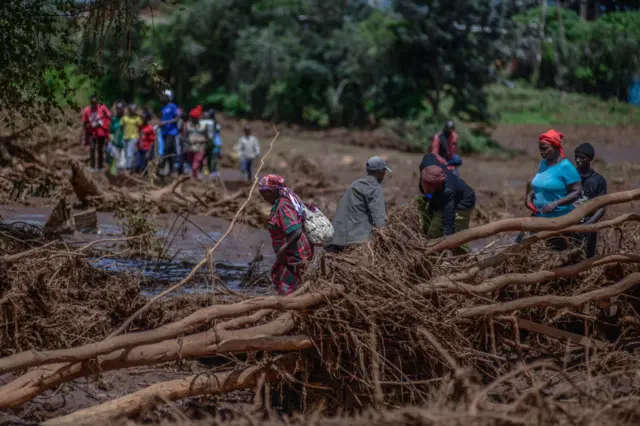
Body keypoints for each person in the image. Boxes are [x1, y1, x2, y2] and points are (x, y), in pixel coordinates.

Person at [526, 129, 582, 250]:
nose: (542, 152)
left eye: (545, 148)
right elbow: (540, 185)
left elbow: (577, 192)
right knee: (521, 248)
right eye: (540, 148)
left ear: (556, 147)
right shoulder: (543, 164)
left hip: (559, 221)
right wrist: (530, 197)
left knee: (555, 257)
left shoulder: (566, 167)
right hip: (539, 218)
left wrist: (556, 203)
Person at [259, 174, 313, 295]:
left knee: (286, 288)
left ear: (274, 191)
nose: (263, 197)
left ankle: (290, 307)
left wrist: (282, 250)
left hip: (297, 254)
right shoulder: (278, 204)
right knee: (278, 276)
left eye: (265, 193)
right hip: (290, 253)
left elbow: (296, 231)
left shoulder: (283, 205)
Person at [327, 156, 390, 253]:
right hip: (356, 241)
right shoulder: (374, 188)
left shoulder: (355, 185)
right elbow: (380, 218)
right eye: (384, 171)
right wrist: (388, 239)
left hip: (337, 237)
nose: (385, 174)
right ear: (379, 172)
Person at [418, 154, 476, 254]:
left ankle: (467, 256)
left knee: (449, 233)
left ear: (437, 187)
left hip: (463, 203)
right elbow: (429, 156)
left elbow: (448, 222)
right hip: (442, 198)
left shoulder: (447, 192)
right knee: (427, 218)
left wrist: (447, 245)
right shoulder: (427, 167)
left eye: (431, 190)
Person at [574, 143, 607, 258]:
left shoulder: (598, 180)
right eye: (576, 156)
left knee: (587, 258)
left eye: (582, 157)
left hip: (589, 224)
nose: (577, 160)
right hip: (569, 223)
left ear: (589, 159)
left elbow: (602, 207)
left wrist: (589, 224)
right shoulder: (569, 176)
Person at [81, 93, 112, 172]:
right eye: (92, 100)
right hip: (91, 133)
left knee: (100, 149)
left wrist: (105, 118)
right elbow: (84, 123)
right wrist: (84, 135)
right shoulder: (87, 110)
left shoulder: (102, 107)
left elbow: (109, 116)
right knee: (92, 148)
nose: (94, 102)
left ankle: (100, 167)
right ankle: (92, 166)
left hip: (101, 132)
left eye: (95, 100)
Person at [159, 89, 180, 176]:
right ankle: (169, 170)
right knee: (167, 150)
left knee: (167, 149)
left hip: (172, 132)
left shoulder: (172, 106)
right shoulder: (163, 107)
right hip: (164, 132)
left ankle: (164, 168)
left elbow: (177, 118)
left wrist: (166, 122)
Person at [184, 105, 208, 179]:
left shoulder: (203, 126)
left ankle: (194, 177)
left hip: (200, 148)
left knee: (195, 165)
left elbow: (207, 137)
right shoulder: (187, 125)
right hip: (190, 148)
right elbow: (185, 136)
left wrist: (200, 141)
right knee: (192, 165)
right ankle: (195, 179)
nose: (192, 119)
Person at [122, 104, 143, 171]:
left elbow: (141, 125)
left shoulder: (137, 118)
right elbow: (121, 126)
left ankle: (128, 167)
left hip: (133, 137)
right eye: (131, 109)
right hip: (125, 137)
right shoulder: (125, 118)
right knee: (125, 152)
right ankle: (126, 166)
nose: (132, 111)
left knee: (129, 152)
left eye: (134, 109)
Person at [108, 103, 125, 174]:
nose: (119, 110)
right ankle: (115, 174)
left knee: (123, 160)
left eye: (120, 109)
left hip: (124, 142)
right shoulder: (114, 119)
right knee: (116, 158)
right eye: (118, 109)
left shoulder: (126, 119)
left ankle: (122, 174)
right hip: (115, 142)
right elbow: (111, 130)